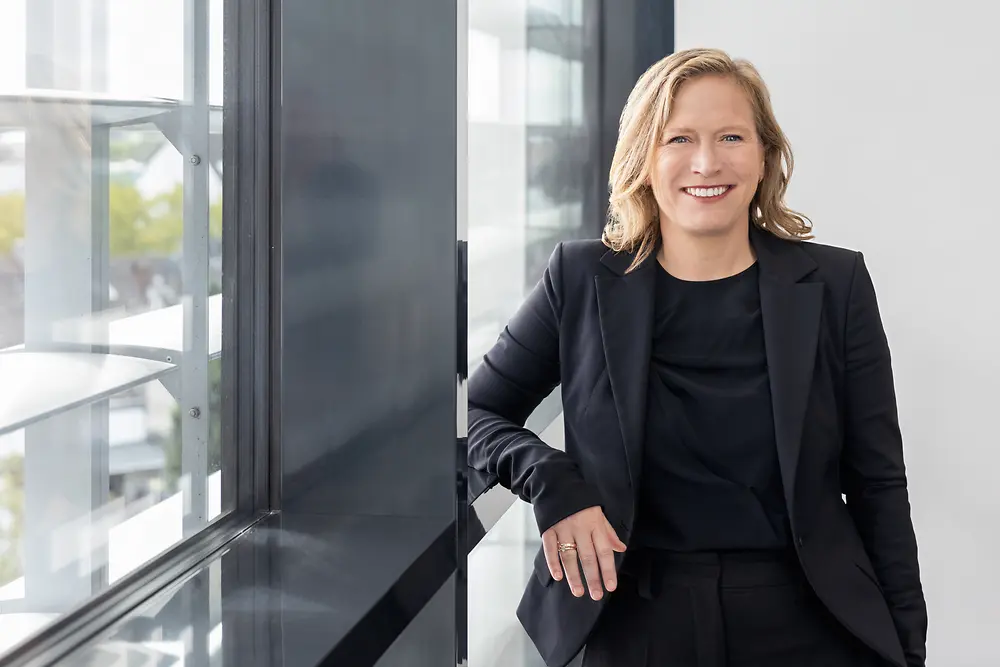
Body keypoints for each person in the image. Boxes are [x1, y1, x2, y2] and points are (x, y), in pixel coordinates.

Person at [467, 48, 927, 667]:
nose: (707, 162)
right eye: (678, 138)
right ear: (644, 157)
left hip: (807, 620)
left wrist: (908, 649)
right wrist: (551, 482)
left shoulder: (836, 284)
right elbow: (474, 412)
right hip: (633, 622)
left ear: (764, 154)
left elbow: (878, 483)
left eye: (731, 136)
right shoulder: (578, 279)